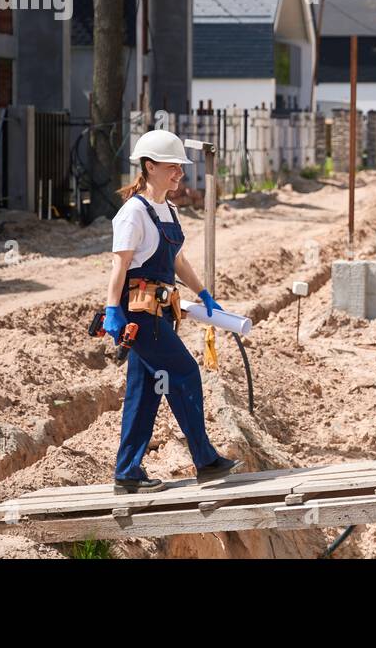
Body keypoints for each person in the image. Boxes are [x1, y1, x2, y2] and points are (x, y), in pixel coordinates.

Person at [104, 129, 243, 494]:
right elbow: (119, 266)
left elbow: (177, 259)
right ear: (149, 167)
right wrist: (111, 311)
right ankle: (206, 459)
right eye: (172, 167)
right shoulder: (133, 213)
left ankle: (128, 471)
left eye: (180, 168)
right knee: (183, 372)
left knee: (145, 390)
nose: (180, 174)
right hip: (138, 314)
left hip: (161, 312)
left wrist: (203, 293)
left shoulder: (169, 209)